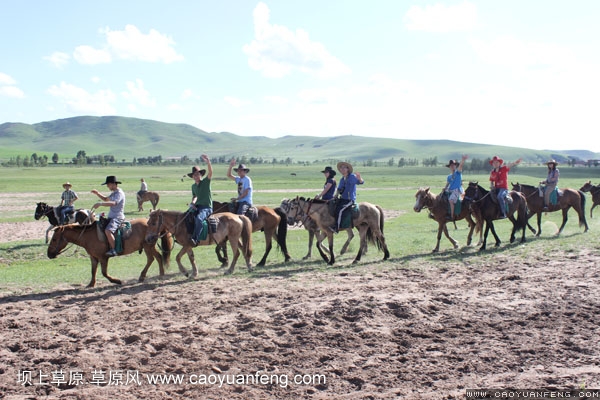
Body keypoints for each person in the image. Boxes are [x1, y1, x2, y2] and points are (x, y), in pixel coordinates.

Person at [91, 176, 126, 257]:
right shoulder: (114, 193)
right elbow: (106, 199)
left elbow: (114, 203)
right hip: (112, 216)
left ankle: (114, 250)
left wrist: (100, 204)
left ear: (113, 184)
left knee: (108, 231)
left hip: (117, 217)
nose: (107, 186)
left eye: (108, 184)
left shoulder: (119, 193)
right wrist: (97, 193)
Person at [330, 161, 364, 233]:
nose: (342, 169)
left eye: (344, 168)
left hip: (349, 200)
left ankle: (337, 227)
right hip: (343, 199)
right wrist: (335, 195)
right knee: (332, 206)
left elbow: (361, 182)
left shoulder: (352, 176)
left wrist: (359, 178)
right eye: (341, 168)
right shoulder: (342, 179)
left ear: (348, 169)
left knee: (340, 210)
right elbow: (339, 189)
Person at [188, 154, 213, 245]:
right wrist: (192, 203)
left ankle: (195, 239)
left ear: (201, 175)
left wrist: (208, 162)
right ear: (192, 177)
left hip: (206, 207)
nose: (196, 176)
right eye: (194, 175)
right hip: (197, 206)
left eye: (198, 174)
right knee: (186, 216)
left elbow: (210, 173)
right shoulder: (193, 186)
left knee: (199, 219)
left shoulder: (206, 182)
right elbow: (195, 196)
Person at [443, 155, 468, 220]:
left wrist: (463, 160)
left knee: (451, 200)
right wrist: (444, 188)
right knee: (442, 198)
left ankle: (452, 216)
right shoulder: (449, 177)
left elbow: (461, 166)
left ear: (455, 166)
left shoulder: (458, 173)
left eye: (453, 165)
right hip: (450, 190)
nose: (452, 166)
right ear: (449, 167)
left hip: (457, 190)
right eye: (451, 166)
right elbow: (447, 184)